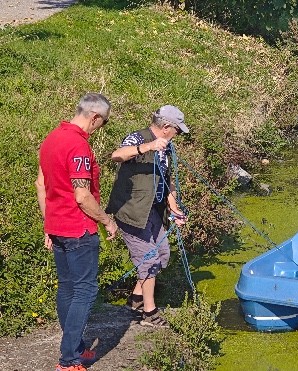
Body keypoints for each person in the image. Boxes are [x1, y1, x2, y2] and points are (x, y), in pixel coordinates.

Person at [35, 93, 118, 371]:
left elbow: (40, 185)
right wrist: (107, 221)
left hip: (57, 226)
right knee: (85, 291)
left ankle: (76, 347)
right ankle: (69, 359)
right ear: (94, 117)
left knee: (67, 288)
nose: (99, 128)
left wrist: (49, 224)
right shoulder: (78, 147)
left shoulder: (51, 139)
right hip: (78, 229)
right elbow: (82, 196)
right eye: (102, 123)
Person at [105, 105, 189, 328]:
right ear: (166, 127)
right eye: (177, 131)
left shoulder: (167, 147)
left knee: (162, 254)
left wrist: (174, 208)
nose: (177, 135)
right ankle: (149, 314)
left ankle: (136, 299)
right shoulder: (138, 137)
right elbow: (117, 155)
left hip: (153, 211)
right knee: (149, 261)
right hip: (132, 211)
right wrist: (149, 146)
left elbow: (166, 180)